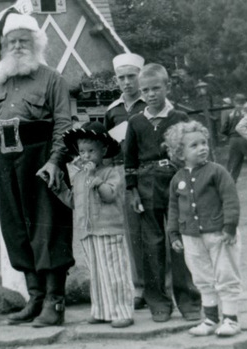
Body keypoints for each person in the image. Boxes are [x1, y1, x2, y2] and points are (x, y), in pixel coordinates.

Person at [0, 8, 74, 327]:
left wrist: (56, 161)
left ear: (36, 43)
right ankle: (35, 298)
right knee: (16, 229)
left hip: (41, 158)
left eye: (23, 41)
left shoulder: (52, 79)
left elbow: (64, 124)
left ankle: (55, 302)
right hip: (5, 160)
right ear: (3, 46)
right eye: (11, 41)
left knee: (47, 229)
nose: (17, 46)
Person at [123, 63, 202, 323]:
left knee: (179, 242)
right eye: (145, 89)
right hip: (146, 189)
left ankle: (189, 299)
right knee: (152, 245)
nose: (151, 94)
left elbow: (190, 151)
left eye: (156, 88)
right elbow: (130, 160)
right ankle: (158, 301)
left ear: (166, 87)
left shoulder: (179, 117)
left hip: (176, 184)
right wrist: (133, 191)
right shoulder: (135, 122)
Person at [165, 120, 242, 337]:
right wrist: (173, 234)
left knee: (226, 273)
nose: (202, 148)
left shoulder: (217, 172)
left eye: (204, 143)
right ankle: (210, 319)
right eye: (194, 145)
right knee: (201, 277)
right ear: (180, 153)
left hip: (219, 234)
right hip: (191, 236)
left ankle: (231, 319)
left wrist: (229, 227)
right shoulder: (177, 179)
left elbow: (230, 199)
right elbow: (173, 208)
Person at [54, 122, 134, 328]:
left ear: (104, 150)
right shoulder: (79, 176)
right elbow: (74, 201)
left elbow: (109, 195)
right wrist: (59, 188)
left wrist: (95, 179)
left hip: (109, 230)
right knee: (97, 273)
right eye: (82, 151)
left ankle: (122, 311)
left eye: (91, 151)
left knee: (114, 271)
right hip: (87, 231)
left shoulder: (110, 173)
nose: (86, 156)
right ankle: (101, 310)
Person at [104, 52, 147, 310]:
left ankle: (164, 284)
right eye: (122, 78)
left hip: (150, 171)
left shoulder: (151, 104)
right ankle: (139, 286)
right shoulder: (113, 111)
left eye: (132, 76)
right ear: (116, 80)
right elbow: (109, 149)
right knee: (133, 234)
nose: (127, 82)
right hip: (124, 174)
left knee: (159, 229)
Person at [220, 94, 247, 183]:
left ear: (234, 101)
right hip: (246, 138)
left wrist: (228, 134)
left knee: (234, 161)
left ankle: (230, 180)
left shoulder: (229, 112)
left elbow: (224, 127)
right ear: (244, 101)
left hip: (233, 138)